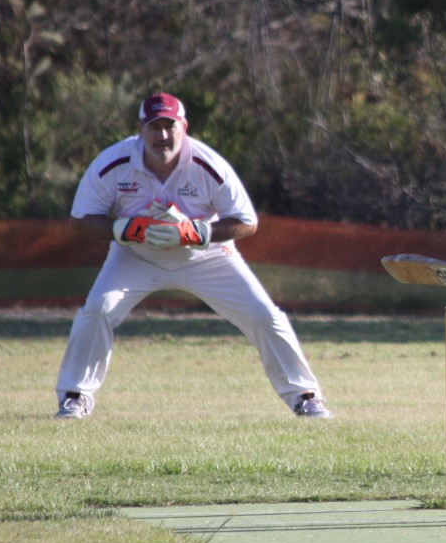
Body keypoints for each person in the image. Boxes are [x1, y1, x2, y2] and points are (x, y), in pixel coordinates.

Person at [54, 93, 332, 420]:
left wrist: (195, 233)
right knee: (98, 308)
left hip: (206, 257)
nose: (162, 136)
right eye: (154, 127)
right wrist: (124, 229)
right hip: (135, 257)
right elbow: (81, 219)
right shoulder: (112, 163)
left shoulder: (207, 164)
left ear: (183, 127)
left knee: (263, 314)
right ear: (140, 129)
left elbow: (246, 222)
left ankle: (305, 395)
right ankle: (75, 395)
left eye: (169, 126)